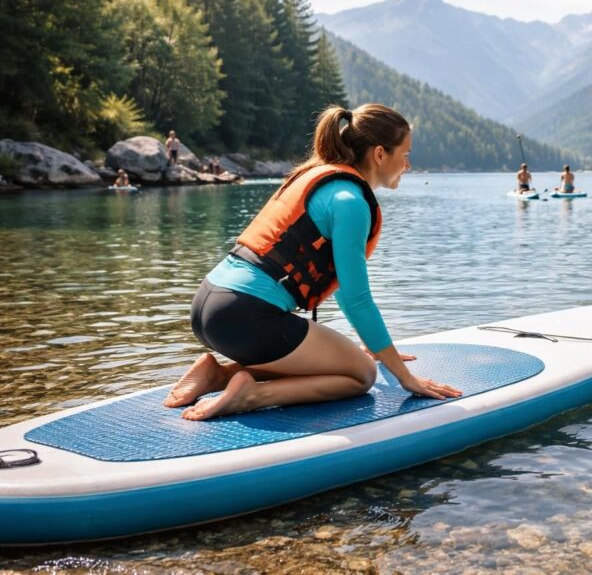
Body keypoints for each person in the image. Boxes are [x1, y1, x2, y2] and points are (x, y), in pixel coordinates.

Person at [165, 104, 462, 420]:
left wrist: (379, 349)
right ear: (379, 154)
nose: (408, 164)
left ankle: (218, 375)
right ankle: (251, 395)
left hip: (209, 304)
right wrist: (405, 377)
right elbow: (355, 300)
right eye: (404, 154)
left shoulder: (320, 179)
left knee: (348, 359)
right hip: (245, 316)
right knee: (361, 374)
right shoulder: (351, 203)